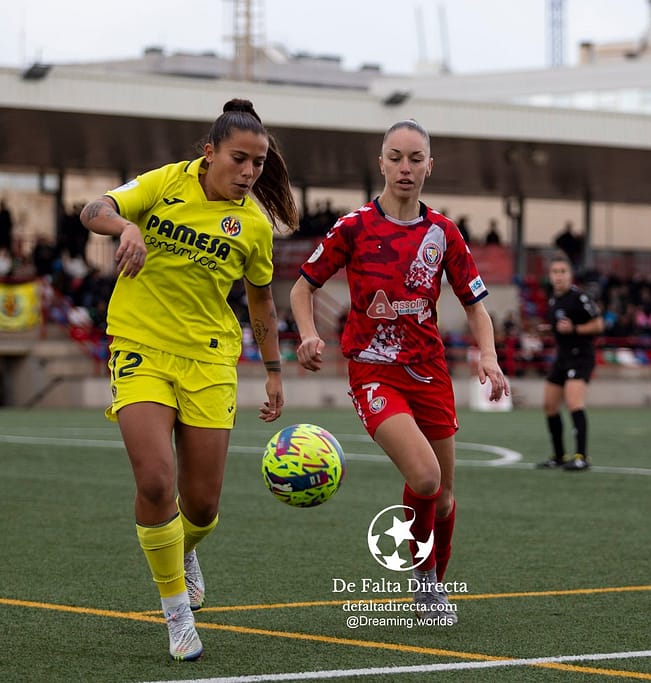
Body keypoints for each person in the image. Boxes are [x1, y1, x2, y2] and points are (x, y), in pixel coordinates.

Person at [79, 98, 298, 661]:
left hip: (209, 360)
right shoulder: (165, 183)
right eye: (240, 160)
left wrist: (274, 372)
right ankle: (177, 614)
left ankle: (186, 549)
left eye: (258, 164)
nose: (249, 173)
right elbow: (92, 210)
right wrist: (126, 225)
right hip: (140, 345)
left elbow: (260, 306)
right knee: (156, 481)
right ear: (210, 153)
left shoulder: (252, 225)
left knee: (200, 506)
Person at [290, 119, 509, 626]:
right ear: (381, 162)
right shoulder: (354, 227)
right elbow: (303, 287)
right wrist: (306, 333)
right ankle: (424, 583)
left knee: (446, 498)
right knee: (426, 476)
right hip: (372, 372)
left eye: (415, 158)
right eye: (396, 157)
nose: (405, 168)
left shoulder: (444, 233)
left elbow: (476, 305)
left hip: (429, 371)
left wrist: (489, 355)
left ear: (430, 165)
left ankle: (434, 584)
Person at [536, 255, 605, 470]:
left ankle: (581, 457)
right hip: (563, 357)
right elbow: (560, 326)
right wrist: (549, 330)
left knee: (574, 403)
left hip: (581, 356)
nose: (558, 276)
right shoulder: (553, 300)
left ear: (570, 275)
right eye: (555, 272)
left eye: (562, 272)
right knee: (549, 405)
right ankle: (558, 456)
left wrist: (574, 328)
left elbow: (599, 325)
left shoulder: (580, 298)